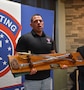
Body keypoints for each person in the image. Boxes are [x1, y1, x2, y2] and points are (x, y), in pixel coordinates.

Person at [16, 14, 67, 90]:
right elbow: (18, 57)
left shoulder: (49, 38)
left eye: (40, 21)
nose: (39, 22)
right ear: (31, 25)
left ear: (43, 23)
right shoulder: (24, 38)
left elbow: (54, 55)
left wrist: (61, 64)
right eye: (36, 21)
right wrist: (27, 70)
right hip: (32, 80)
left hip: (47, 78)